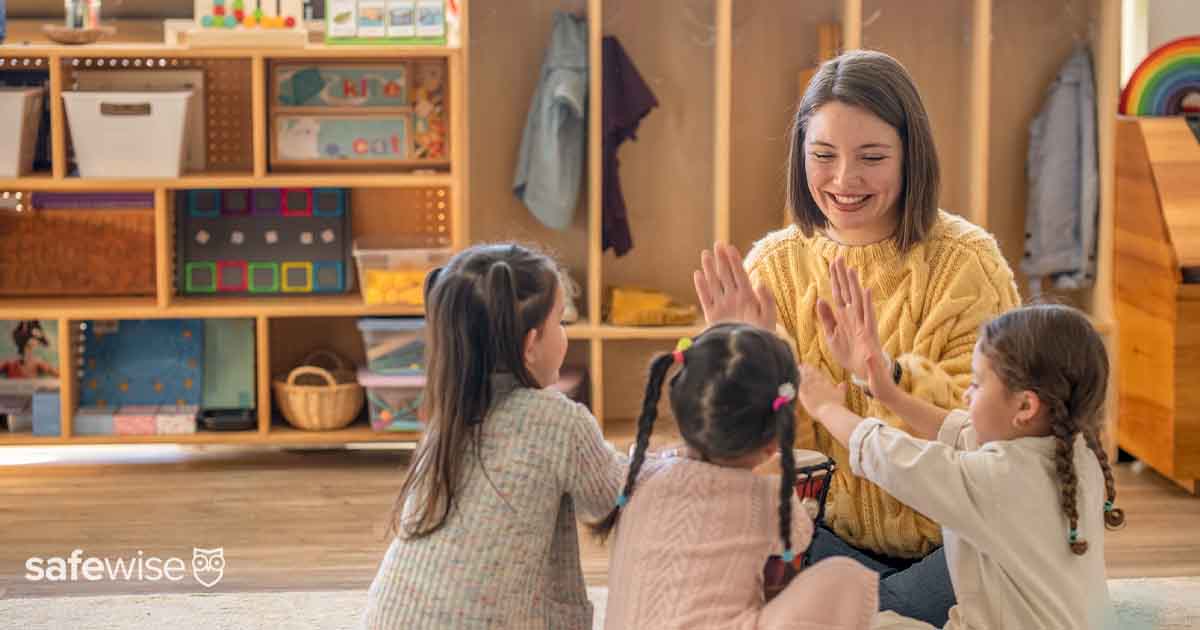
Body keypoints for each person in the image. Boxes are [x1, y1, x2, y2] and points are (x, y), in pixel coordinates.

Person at [693, 49, 1021, 625]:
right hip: (820, 539)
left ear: (909, 157)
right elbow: (743, 460)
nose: (844, 180)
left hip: (952, 546)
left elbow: (993, 439)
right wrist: (739, 368)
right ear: (800, 157)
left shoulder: (968, 263)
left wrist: (881, 376)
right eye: (823, 156)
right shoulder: (775, 264)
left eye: (871, 157)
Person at [795, 288, 1123, 629]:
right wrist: (889, 395)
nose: (967, 394)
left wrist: (825, 407)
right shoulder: (1077, 452)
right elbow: (959, 429)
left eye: (977, 384)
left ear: (1026, 406)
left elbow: (888, 455)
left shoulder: (995, 481)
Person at [362, 243, 626, 629]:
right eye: (560, 323)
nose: (565, 335)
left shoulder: (447, 417)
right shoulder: (558, 420)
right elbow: (610, 499)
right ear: (531, 344)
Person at [597, 323, 878, 630]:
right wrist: (771, 479)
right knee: (843, 577)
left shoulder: (639, 473)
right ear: (773, 442)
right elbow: (798, 536)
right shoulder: (765, 497)